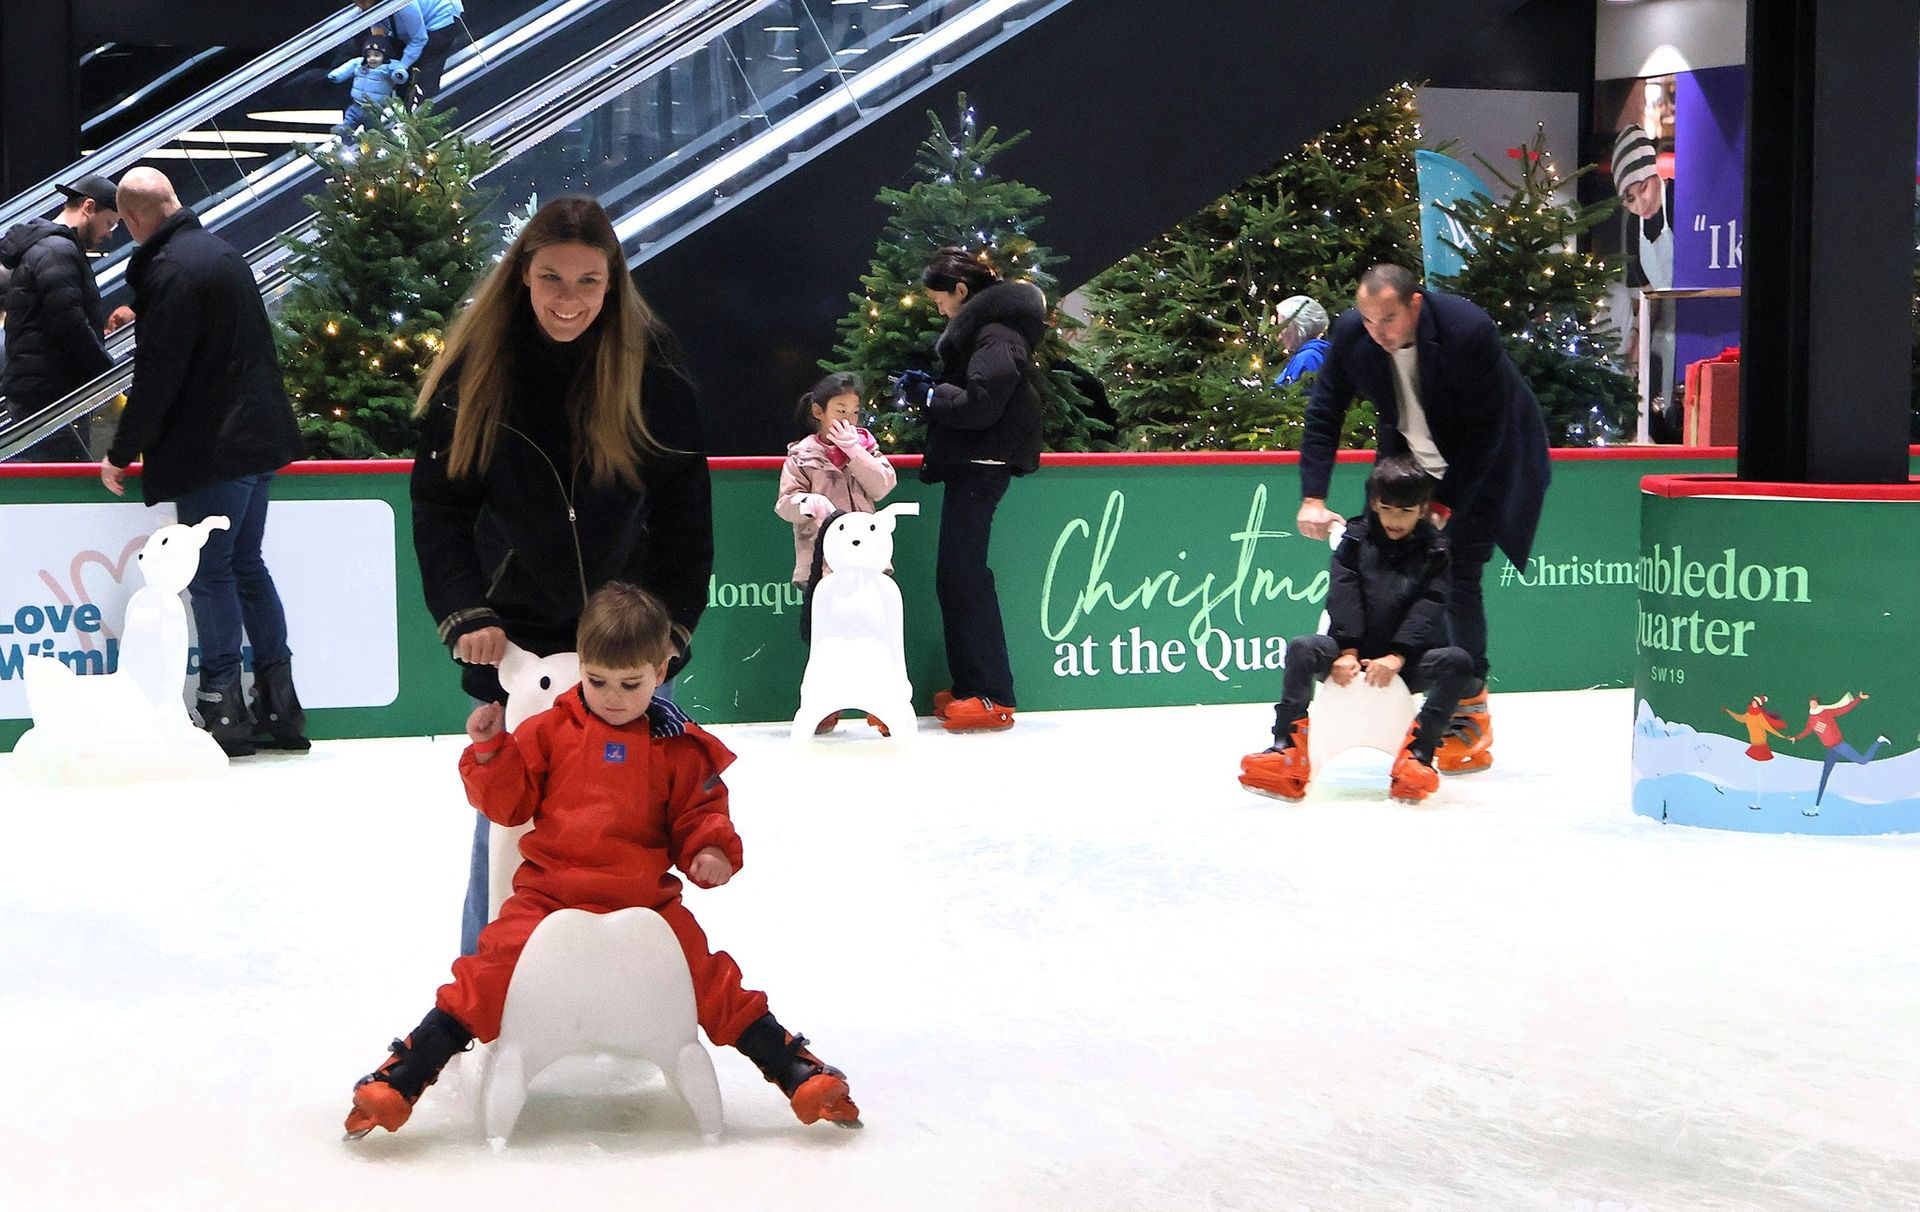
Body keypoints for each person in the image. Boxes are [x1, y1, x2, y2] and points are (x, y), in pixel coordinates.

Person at [343, 582, 860, 1139]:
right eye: (597, 681)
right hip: (546, 896)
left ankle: (793, 1068)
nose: (612, 696)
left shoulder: (678, 744)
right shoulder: (547, 731)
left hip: (646, 898)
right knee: (486, 972)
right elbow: (509, 805)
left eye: (630, 683)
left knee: (709, 978)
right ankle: (407, 1076)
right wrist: (491, 753)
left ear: (662, 670)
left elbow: (700, 812)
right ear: (582, 666)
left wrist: (709, 849)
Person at [410, 195, 713, 957]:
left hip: (626, 648)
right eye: (552, 278)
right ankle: (487, 995)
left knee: (631, 832)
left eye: (587, 280)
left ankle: (632, 989)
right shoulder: (478, 377)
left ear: (612, 284)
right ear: (522, 277)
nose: (568, 299)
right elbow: (439, 511)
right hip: (516, 647)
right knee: (510, 831)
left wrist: (668, 632)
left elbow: (686, 523)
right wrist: (464, 615)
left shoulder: (654, 375)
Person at [1295, 263, 1549, 775]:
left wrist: (1442, 507)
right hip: (1408, 464)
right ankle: (1402, 705)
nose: (1377, 333)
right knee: (1379, 568)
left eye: (1387, 320)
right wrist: (1313, 496)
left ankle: (1469, 713)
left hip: (1488, 462)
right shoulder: (1353, 334)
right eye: (1367, 321)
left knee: (1454, 575)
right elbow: (1325, 413)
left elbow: (1484, 434)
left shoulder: (1467, 330)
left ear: (1414, 305)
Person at [99, 168, 309, 757]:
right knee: (247, 565)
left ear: (136, 219)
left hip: (213, 445)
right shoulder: (220, 252)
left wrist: (120, 451)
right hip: (258, 437)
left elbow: (159, 376)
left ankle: (223, 704)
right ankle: (281, 705)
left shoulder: (169, 271)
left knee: (212, 573)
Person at [1240, 458, 1472, 805]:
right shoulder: (1354, 539)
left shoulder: (1436, 551)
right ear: (1376, 504)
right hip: (1346, 651)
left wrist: (1397, 654)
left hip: (1404, 661)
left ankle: (1418, 755)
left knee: (1456, 662)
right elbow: (1343, 593)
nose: (1395, 519)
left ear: (1423, 509)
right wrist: (1347, 650)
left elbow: (1429, 605)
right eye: (1387, 509)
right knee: (1304, 648)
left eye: (1406, 511)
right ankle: (1287, 749)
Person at [901, 244, 1045, 733]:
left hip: (983, 463)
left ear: (961, 291)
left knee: (964, 576)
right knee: (957, 576)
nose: (938, 307)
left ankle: (991, 693)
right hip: (974, 463)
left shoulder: (997, 334)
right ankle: (972, 687)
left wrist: (928, 395)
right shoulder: (989, 332)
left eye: (940, 297)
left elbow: (982, 405)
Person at [0, 174, 121, 462]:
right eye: (109, 223)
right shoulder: (58, 251)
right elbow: (70, 325)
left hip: (40, 392)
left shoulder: (52, 248)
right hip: (51, 397)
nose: (109, 233)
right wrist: (109, 373)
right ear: (88, 207)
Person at [775, 370, 897, 590]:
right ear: (818, 411)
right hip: (820, 562)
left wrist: (855, 452)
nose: (848, 420)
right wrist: (809, 503)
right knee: (823, 622)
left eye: (854, 413)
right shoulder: (802, 455)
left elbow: (883, 486)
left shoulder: (866, 448)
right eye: (841, 411)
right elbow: (785, 505)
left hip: (866, 559)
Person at [1613, 123, 1679, 441]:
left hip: (1695, 323)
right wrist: (1634, 351)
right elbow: (1644, 297)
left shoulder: (1683, 201)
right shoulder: (1632, 228)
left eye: (1644, 189)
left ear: (1655, 175)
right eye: (1630, 198)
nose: (1641, 204)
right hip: (1661, 328)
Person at [1790, 692, 1889, 812]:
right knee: (1825, 775)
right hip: (1831, 749)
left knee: (1863, 761)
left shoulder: (1826, 713)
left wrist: (1858, 699)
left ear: (1818, 704)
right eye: (1811, 702)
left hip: (1840, 746)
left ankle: (1879, 741)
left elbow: (1844, 709)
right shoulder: (1811, 719)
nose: (1813, 704)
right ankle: (1816, 807)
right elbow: (1807, 730)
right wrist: (1796, 737)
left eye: (1815, 702)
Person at [327, 31, 409, 137]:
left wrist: (399, 75)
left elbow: (399, 71)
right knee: (348, 122)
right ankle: (345, 135)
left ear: (385, 56)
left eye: (376, 55)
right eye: (368, 55)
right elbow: (347, 68)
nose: (372, 59)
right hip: (356, 105)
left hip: (374, 109)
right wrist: (336, 75)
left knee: (373, 130)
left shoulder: (389, 67)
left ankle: (372, 144)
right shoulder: (360, 63)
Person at [1272, 294, 1330, 386]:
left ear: (1299, 327)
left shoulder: (1308, 358)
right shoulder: (1307, 356)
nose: (1280, 336)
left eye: (1283, 327)